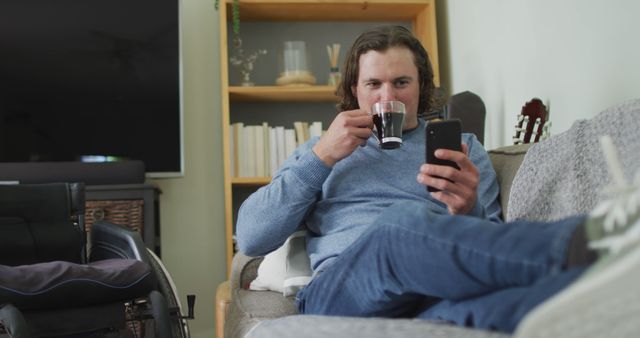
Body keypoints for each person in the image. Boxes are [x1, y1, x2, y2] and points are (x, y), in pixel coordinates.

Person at [235, 25, 610, 333]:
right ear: (355, 89)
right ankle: (595, 241)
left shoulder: (462, 147)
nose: (387, 97)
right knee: (397, 228)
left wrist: (468, 209)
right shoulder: (321, 149)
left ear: (421, 87)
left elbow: (489, 242)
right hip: (342, 291)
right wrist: (321, 159)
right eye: (373, 85)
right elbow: (252, 237)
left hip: (431, 292)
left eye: (401, 83)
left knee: (514, 308)